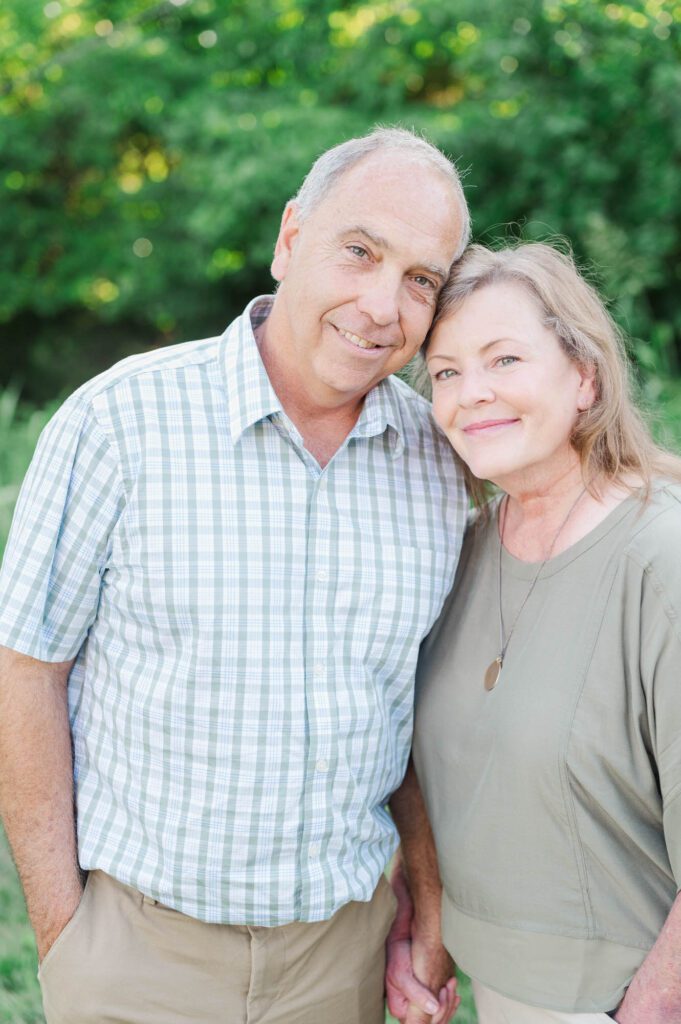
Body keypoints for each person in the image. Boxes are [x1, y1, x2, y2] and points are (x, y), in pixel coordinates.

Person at [0, 127, 470, 1024]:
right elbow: (26, 669)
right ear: (291, 237)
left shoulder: (442, 464)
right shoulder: (116, 422)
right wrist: (65, 937)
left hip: (340, 962)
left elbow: (421, 713)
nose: (381, 305)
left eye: (421, 280)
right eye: (360, 251)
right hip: (134, 953)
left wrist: (425, 908)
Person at [390, 241, 681, 1024]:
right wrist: (425, 923)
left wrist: (649, 1009)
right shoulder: (462, 547)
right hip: (502, 994)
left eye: (504, 359)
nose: (470, 394)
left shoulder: (660, 558)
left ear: (583, 376)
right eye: (445, 372)